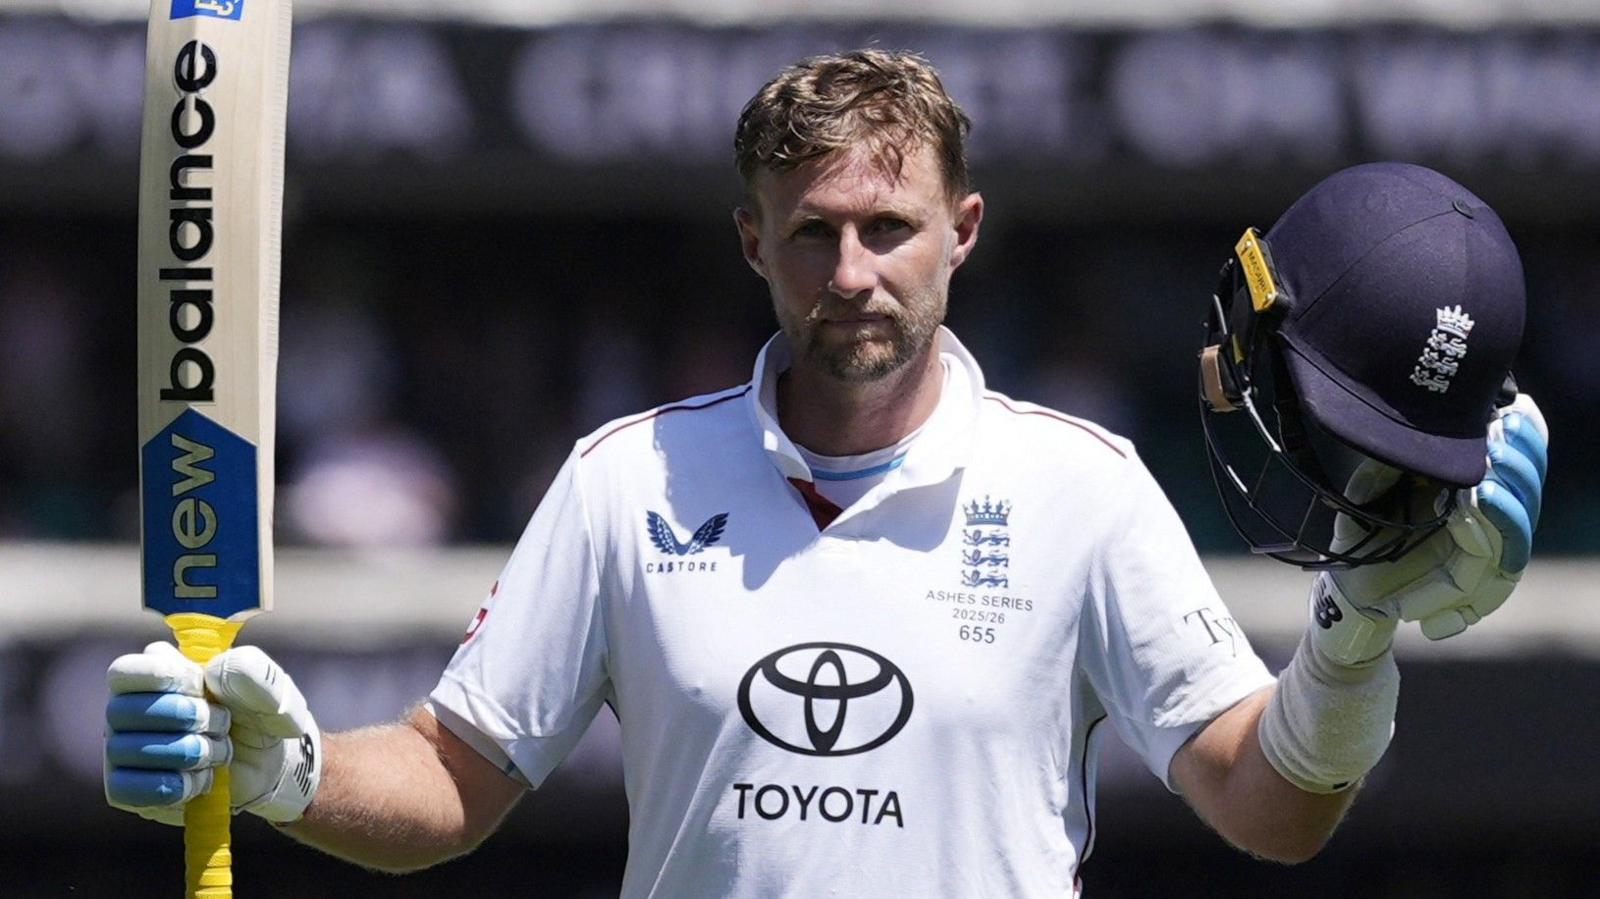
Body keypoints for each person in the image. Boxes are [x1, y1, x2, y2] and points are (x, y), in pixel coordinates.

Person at [105, 51, 1548, 896]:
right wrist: (287, 770)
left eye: (891, 228)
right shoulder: (626, 480)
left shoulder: (1084, 490)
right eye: (813, 234)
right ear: (751, 241)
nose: (854, 272)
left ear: (963, 231)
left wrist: (1358, 625)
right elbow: (450, 780)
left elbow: (1273, 807)